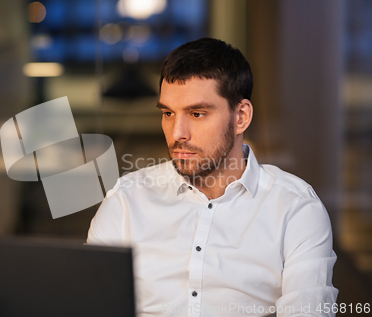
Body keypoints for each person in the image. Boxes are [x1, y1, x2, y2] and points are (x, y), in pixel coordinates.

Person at [86, 37, 338, 317]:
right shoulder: (125, 202)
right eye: (168, 113)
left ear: (240, 116)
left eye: (196, 113)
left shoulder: (295, 208)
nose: (177, 132)